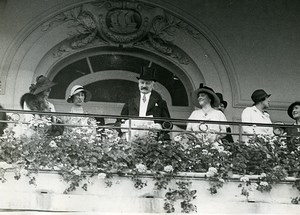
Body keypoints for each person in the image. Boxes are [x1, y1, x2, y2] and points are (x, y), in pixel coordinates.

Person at [119, 65, 171, 139]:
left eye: (147, 83)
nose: (144, 85)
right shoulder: (130, 101)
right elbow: (119, 121)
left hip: (152, 140)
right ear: (138, 84)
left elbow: (168, 124)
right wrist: (124, 126)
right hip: (132, 138)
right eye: (142, 83)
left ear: (153, 85)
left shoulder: (160, 102)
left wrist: (159, 126)